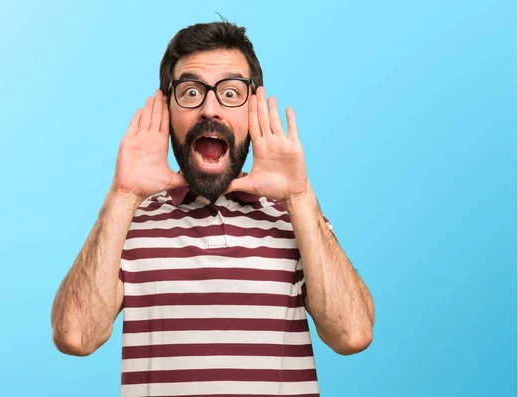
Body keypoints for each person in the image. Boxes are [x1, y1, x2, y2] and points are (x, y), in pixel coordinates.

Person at [51, 20, 375, 396]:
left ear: (252, 109)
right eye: (190, 92)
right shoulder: (128, 221)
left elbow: (352, 335)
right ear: (167, 108)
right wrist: (122, 195)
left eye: (230, 93)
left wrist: (300, 198)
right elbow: (75, 336)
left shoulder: (295, 218)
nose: (210, 109)